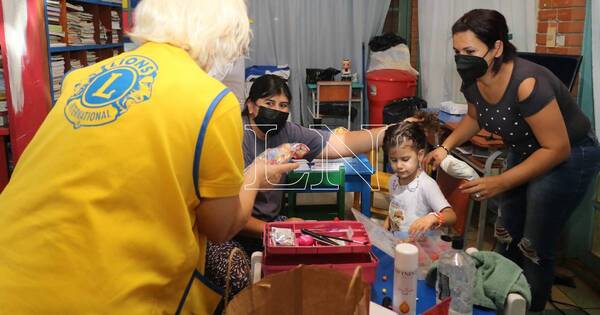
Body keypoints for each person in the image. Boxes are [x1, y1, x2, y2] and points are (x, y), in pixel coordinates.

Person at [0, 1, 297, 313]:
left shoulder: (82, 79)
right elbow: (221, 227)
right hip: (98, 298)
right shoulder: (210, 99)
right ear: (223, 37)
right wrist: (257, 173)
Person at [424, 9, 600, 312]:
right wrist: (446, 147)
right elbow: (473, 118)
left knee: (533, 244)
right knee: (506, 230)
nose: (461, 59)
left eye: (470, 51)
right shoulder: (473, 78)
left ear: (496, 48)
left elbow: (556, 148)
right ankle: (503, 297)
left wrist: (500, 181)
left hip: (569, 155)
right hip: (526, 149)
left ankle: (530, 308)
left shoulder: (527, 83)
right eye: (456, 51)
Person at [205, 74, 388, 295]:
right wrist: (274, 230)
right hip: (228, 232)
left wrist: (387, 133)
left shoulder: (287, 131)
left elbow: (342, 144)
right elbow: (228, 217)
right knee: (239, 277)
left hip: (269, 224)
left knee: (305, 258)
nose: (277, 110)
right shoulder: (235, 137)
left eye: (283, 105)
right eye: (269, 103)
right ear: (251, 106)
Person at [382, 120, 457, 239]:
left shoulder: (427, 185)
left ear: (420, 155)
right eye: (394, 160)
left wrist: (434, 217)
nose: (399, 165)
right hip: (399, 241)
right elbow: (396, 209)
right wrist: (386, 226)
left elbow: (451, 216)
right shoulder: (393, 181)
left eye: (405, 159)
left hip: (421, 245)